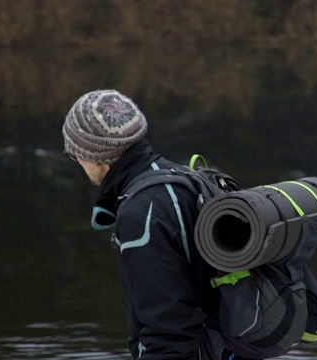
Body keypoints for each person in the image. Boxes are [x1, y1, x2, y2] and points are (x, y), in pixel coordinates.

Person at [62, 89, 232, 359]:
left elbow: (168, 333)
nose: (79, 163)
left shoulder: (140, 213)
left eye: (75, 154)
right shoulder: (183, 178)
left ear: (95, 155)